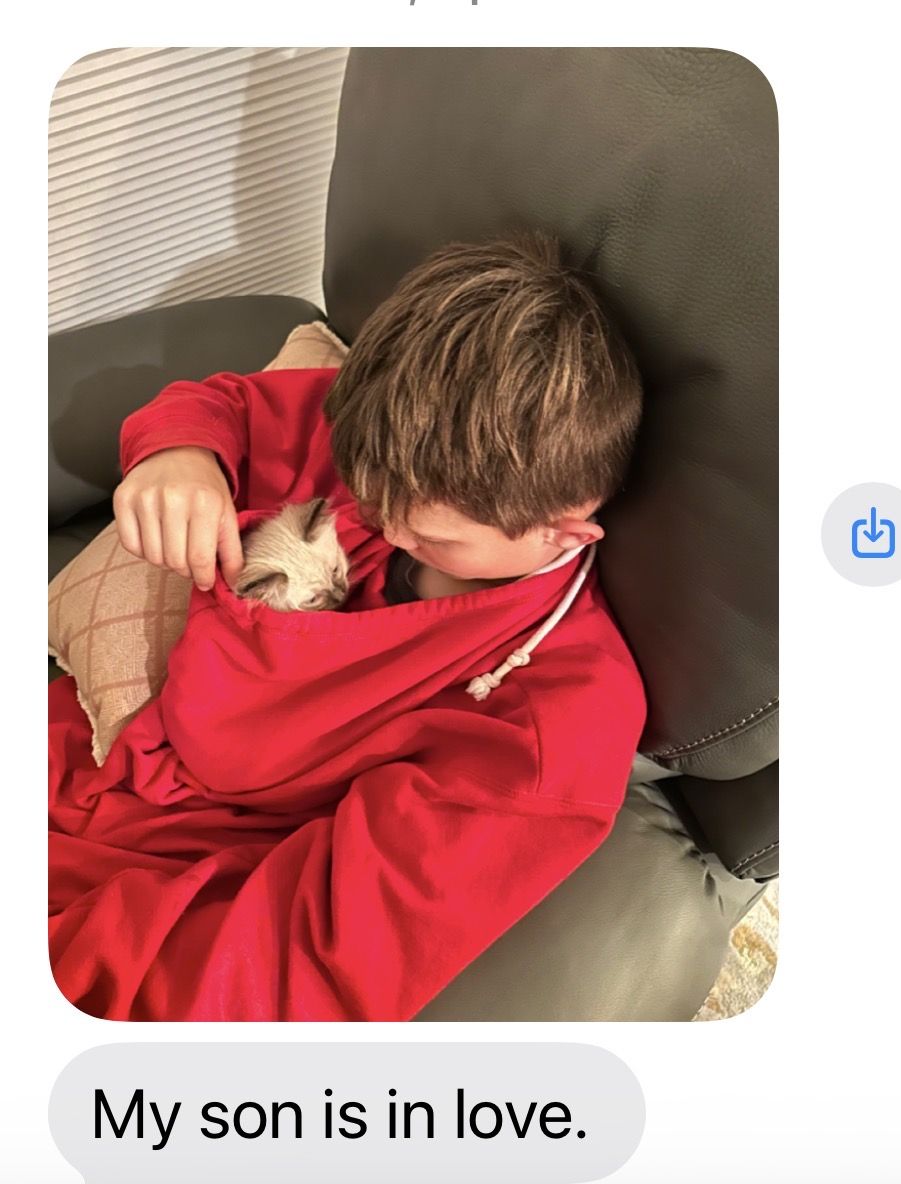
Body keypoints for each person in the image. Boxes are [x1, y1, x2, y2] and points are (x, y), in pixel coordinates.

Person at [48, 229, 648, 1021]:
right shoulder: (388, 434)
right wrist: (180, 457)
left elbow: (311, 961)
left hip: (198, 859)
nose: (387, 531)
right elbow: (219, 404)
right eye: (370, 499)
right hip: (89, 745)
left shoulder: (556, 725)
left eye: (431, 538)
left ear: (563, 533)